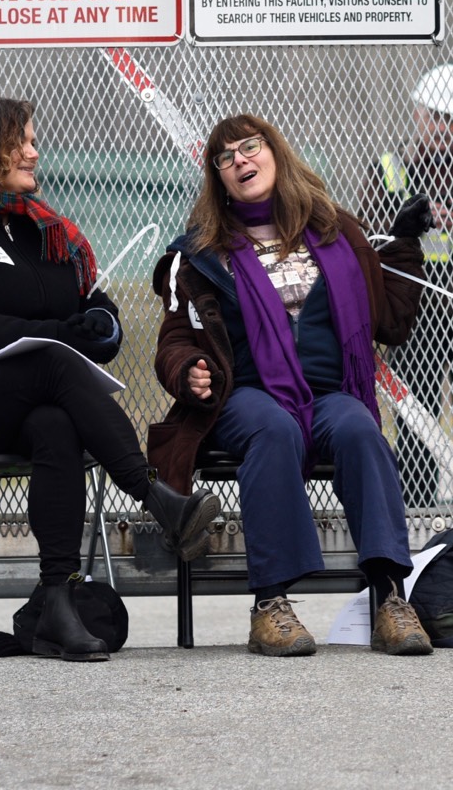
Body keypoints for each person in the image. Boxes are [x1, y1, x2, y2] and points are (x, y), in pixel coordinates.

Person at [0, 95, 220, 663]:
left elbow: (91, 303)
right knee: (48, 361)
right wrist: (59, 332)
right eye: (20, 140)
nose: (33, 152)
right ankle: (155, 496)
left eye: (33, 140)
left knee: (55, 423)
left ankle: (57, 601)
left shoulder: (41, 233)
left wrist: (101, 326)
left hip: (25, 406)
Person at [148, 113, 437, 657]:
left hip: (330, 392)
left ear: (275, 153)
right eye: (226, 157)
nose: (240, 161)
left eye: (250, 147)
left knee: (359, 429)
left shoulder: (337, 232)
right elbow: (174, 339)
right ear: (219, 177)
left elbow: (391, 324)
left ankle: (391, 599)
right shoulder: (201, 253)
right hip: (245, 395)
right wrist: (188, 371)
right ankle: (271, 607)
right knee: (274, 428)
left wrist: (401, 246)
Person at [362, 63, 453, 508]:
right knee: (416, 415)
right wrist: (423, 220)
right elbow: (370, 236)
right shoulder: (390, 167)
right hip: (414, 311)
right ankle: (418, 509)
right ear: (419, 112)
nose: (445, 126)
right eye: (436, 116)